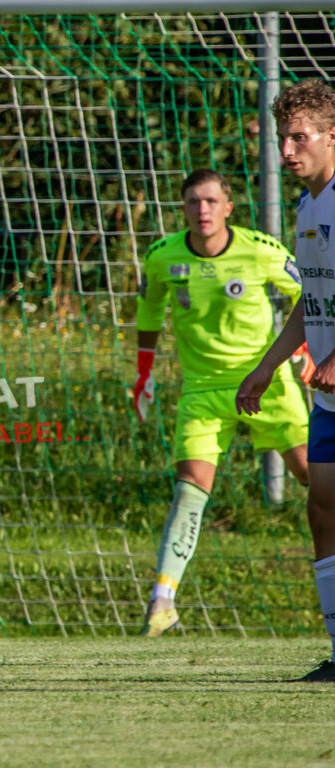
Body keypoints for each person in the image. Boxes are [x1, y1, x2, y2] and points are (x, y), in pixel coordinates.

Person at [134, 168, 309, 637]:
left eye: (212, 201)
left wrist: (309, 350)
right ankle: (162, 601)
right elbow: (148, 310)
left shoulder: (261, 249)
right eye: (194, 201)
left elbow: (307, 292)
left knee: (315, 477)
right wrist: (143, 372)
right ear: (183, 208)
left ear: (229, 207)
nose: (203, 210)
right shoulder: (162, 255)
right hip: (202, 390)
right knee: (190, 489)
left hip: (267, 383)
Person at [236, 79, 335, 680]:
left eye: (300, 137)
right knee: (322, 510)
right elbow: (310, 299)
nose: (287, 150)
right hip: (328, 400)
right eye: (282, 138)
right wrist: (268, 364)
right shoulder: (306, 207)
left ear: (332, 136)